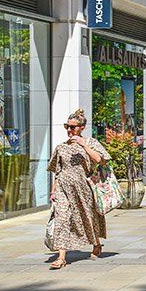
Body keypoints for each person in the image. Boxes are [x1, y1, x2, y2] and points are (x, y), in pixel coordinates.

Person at [46, 109, 112, 269]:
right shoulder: (61, 147)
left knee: (88, 218)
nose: (69, 130)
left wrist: (84, 145)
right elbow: (57, 170)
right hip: (63, 189)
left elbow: (100, 160)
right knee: (62, 219)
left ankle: (96, 243)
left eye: (72, 127)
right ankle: (61, 257)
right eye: (67, 126)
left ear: (81, 128)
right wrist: (54, 190)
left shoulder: (91, 143)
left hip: (83, 189)